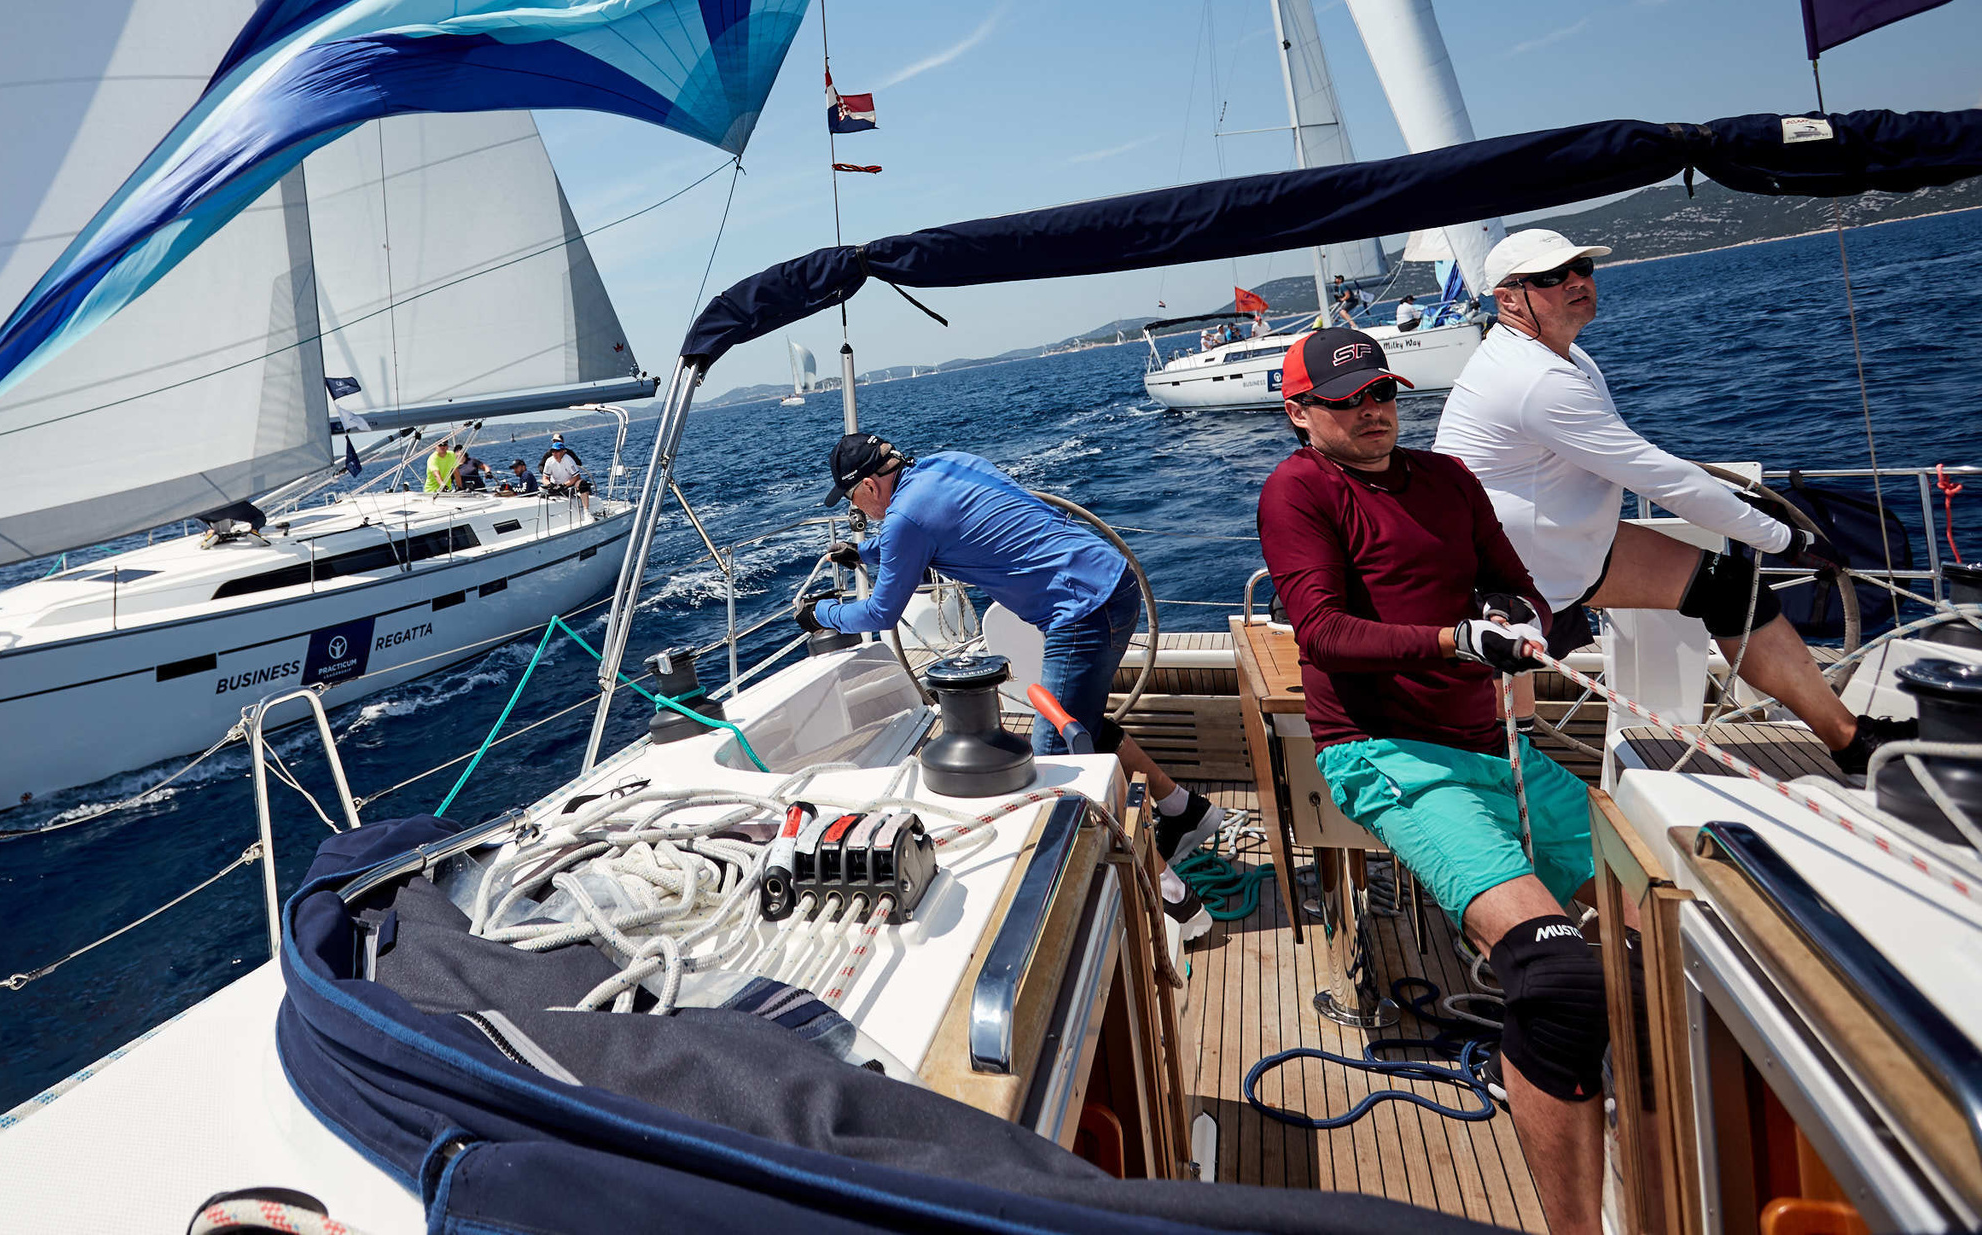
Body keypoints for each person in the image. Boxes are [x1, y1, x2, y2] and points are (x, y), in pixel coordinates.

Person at [1257, 328, 1602, 1235]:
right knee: (1556, 969)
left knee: (1663, 903)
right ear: (1299, 413)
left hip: (1497, 748)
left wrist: (1517, 619)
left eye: (1382, 392)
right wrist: (1454, 638)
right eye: (1347, 400)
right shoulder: (1299, 489)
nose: (1372, 411)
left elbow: (1518, 589)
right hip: (1385, 752)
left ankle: (1639, 1108)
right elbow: (1322, 632)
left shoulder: (1448, 479)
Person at [1430, 229, 1910, 776]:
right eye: (1549, 277)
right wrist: (1786, 539)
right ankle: (1499, 799)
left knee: (1731, 589)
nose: (1575, 282)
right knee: (1489, 721)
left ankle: (1849, 741)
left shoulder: (1561, 358)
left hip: (1568, 549)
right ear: (1508, 298)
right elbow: (1662, 479)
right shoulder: (1534, 380)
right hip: (1513, 572)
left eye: (1581, 267)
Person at [799, 432, 1223, 868]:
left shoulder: (904, 518)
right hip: (1109, 579)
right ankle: (1184, 811)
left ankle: (1167, 892)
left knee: (1052, 763)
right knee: (1082, 723)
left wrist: (822, 614)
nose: (859, 512)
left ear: (870, 485)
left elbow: (881, 613)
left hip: (1082, 609)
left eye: (854, 499)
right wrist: (865, 553)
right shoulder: (944, 463)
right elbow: (938, 529)